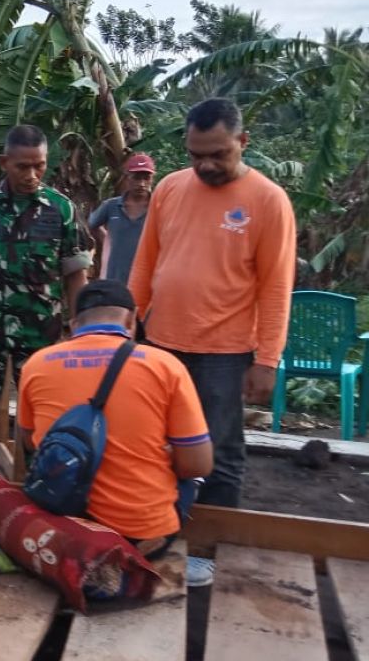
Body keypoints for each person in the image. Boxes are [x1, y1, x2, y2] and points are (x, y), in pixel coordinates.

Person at [128, 97, 296, 586]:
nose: (204, 165)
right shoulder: (169, 188)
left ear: (243, 143)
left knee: (219, 450)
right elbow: (145, 261)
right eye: (195, 154)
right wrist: (127, 322)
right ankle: (159, 532)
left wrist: (267, 359)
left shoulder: (267, 200)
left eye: (217, 154)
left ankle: (206, 548)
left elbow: (276, 286)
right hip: (162, 343)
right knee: (156, 445)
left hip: (225, 354)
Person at [19, 279, 214, 559]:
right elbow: (199, 464)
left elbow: (30, 441)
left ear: (74, 325)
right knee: (190, 473)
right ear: (132, 319)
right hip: (138, 537)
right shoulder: (166, 366)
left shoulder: (37, 364)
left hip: (60, 529)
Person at [0, 125, 92, 464]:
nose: (32, 174)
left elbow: (75, 273)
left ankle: (40, 475)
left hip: (39, 328)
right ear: (4, 162)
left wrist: (80, 327)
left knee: (42, 407)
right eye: (22, 166)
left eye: (39, 165)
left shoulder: (61, 210)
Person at [88, 153, 156, 284]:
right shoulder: (111, 206)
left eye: (146, 178)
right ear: (127, 178)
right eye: (136, 178)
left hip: (148, 281)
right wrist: (108, 241)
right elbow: (90, 225)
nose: (141, 184)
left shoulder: (158, 207)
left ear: (152, 179)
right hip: (115, 279)